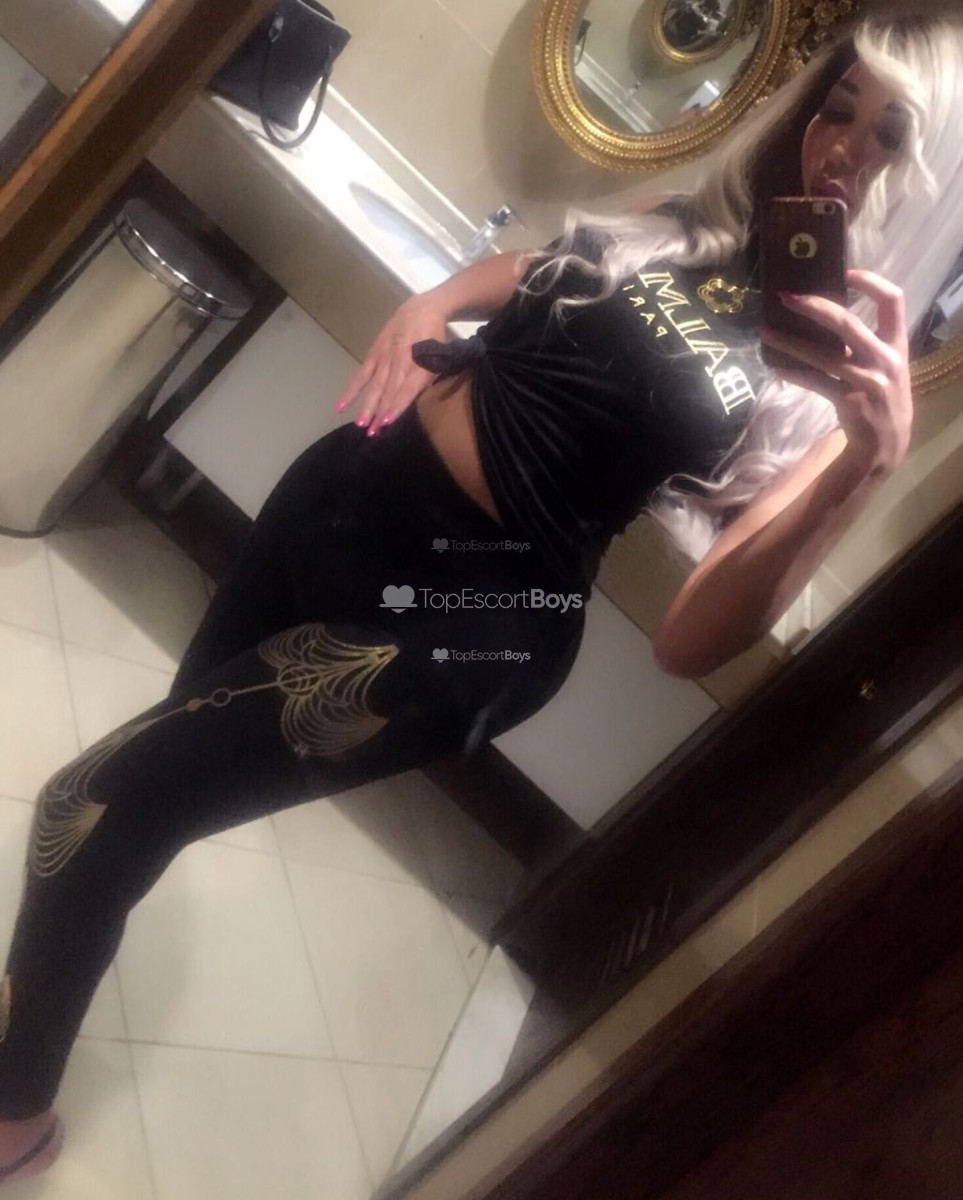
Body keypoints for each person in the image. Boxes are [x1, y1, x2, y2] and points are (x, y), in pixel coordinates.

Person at [1, 10, 961, 1184]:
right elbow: (541, 267)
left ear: (924, 178)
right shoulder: (697, 227)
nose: (842, 147)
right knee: (155, 785)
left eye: (888, 134)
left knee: (90, 802)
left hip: (465, 624)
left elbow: (689, 640)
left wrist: (864, 465)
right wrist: (433, 304)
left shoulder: (827, 396)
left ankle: (13, 1112)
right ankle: (46, 988)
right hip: (346, 495)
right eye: (838, 108)